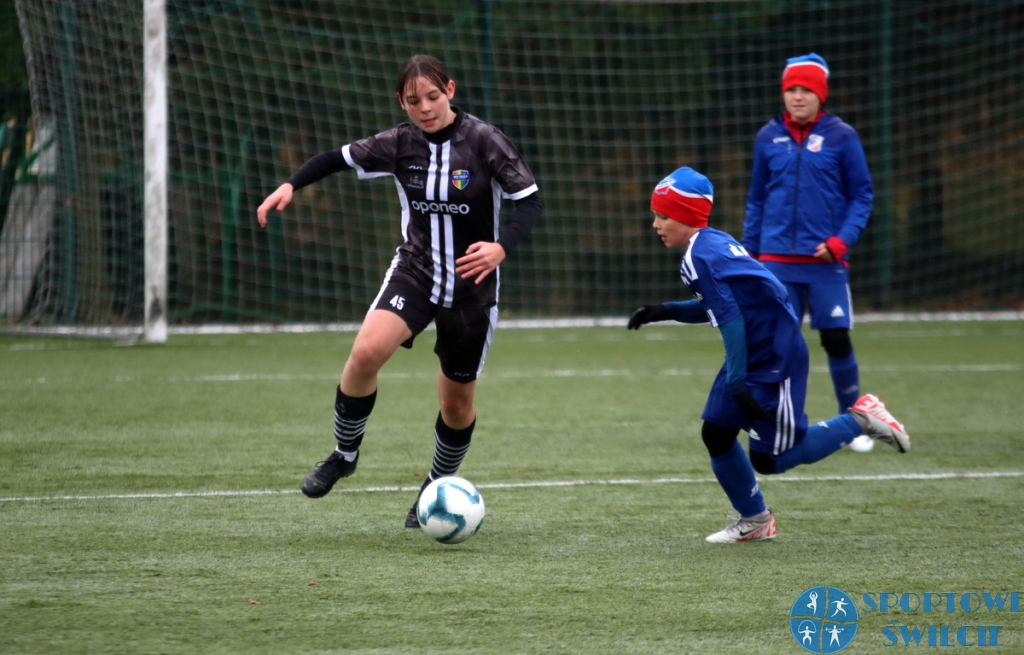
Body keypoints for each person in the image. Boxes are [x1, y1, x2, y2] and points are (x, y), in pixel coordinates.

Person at [257, 54, 541, 527]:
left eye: (433, 96)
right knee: (365, 352)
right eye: (414, 101)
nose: (425, 108)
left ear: (450, 90)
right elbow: (334, 159)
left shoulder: (484, 140)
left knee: (456, 403)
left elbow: (529, 202)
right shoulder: (399, 143)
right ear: (401, 102)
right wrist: (290, 185)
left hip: (471, 287)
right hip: (416, 272)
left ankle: (436, 484)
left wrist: (501, 247)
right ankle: (344, 455)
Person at [627, 166, 909, 543]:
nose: (656, 224)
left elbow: (730, 320)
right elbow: (725, 305)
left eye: (663, 216)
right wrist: (665, 311)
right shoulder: (711, 243)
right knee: (717, 433)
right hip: (757, 346)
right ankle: (756, 520)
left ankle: (861, 419)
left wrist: (737, 380)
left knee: (770, 459)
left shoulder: (701, 256)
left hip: (775, 354)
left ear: (687, 215)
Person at [742, 53, 876, 453]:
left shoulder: (842, 137)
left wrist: (840, 241)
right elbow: (756, 199)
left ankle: (854, 422)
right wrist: (748, 255)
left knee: (835, 339)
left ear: (821, 95)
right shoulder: (767, 137)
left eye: (806, 90)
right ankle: (772, 423)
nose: (797, 97)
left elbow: (862, 195)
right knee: (775, 345)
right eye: (791, 89)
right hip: (775, 262)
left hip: (825, 263)